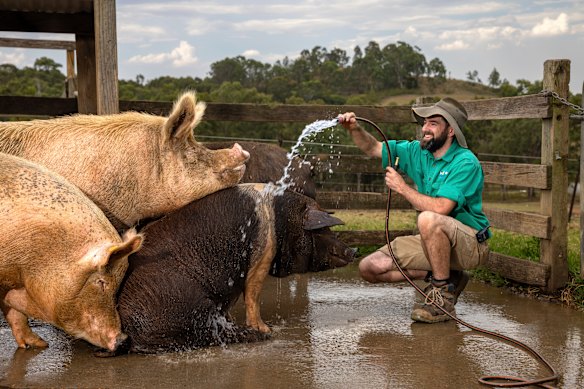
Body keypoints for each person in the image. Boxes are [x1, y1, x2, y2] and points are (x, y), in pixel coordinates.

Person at [337, 97, 490, 323]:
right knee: (369, 267)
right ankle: (451, 277)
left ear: (450, 131)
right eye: (425, 123)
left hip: (470, 244)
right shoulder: (418, 152)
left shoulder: (465, 162)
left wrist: (402, 188)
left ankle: (442, 296)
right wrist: (354, 128)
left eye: (433, 123)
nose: (425, 129)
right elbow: (373, 148)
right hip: (436, 240)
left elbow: (442, 208)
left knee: (429, 219)